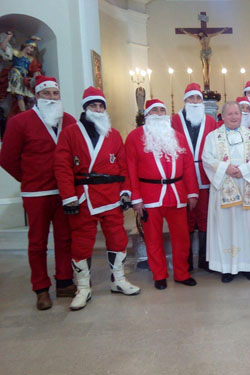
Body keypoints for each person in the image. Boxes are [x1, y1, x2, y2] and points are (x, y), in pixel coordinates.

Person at [54, 86, 140, 311]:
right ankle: (83, 287)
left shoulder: (113, 134)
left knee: (117, 238)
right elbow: (62, 167)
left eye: (101, 105)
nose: (98, 108)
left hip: (111, 196)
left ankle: (118, 280)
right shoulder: (70, 133)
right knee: (82, 242)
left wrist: (125, 192)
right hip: (83, 197)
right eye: (94, 105)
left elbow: (122, 166)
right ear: (85, 108)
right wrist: (68, 197)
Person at [0, 75, 75, 310]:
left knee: (65, 238)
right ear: (37, 96)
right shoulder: (19, 122)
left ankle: (64, 282)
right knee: (37, 241)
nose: (52, 98)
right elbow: (7, 158)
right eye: (46, 94)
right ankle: (41, 289)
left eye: (55, 93)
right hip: (36, 193)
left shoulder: (70, 121)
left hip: (64, 193)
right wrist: (29, 178)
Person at [126, 99, 199, 289]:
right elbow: (130, 169)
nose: (159, 113)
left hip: (177, 194)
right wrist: (136, 197)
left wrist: (192, 193)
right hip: (149, 195)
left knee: (182, 238)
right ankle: (159, 274)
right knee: (153, 238)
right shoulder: (135, 137)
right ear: (147, 115)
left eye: (162, 110)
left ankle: (182, 273)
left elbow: (188, 167)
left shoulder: (178, 137)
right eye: (154, 111)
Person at [202, 101, 250, 282]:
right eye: (229, 114)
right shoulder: (212, 137)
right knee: (226, 228)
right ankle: (227, 267)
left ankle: (249, 266)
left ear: (241, 115)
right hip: (224, 186)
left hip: (247, 184)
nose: (233, 117)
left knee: (248, 227)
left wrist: (244, 171)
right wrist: (226, 168)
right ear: (222, 117)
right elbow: (207, 158)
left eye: (236, 113)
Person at [171, 83, 217, 271]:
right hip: (182, 177)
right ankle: (186, 260)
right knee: (185, 219)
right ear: (185, 100)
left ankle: (205, 259)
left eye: (198, 98)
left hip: (206, 175)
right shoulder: (174, 120)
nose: (195, 101)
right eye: (191, 98)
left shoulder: (211, 121)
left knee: (206, 217)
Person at [0, 32, 43, 114]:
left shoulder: (31, 58)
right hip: (15, 75)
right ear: (26, 46)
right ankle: (23, 114)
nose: (32, 50)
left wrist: (36, 77)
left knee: (31, 97)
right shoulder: (17, 53)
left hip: (23, 78)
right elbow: (3, 47)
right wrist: (9, 37)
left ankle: (32, 113)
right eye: (30, 47)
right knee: (20, 95)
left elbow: (35, 69)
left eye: (33, 48)